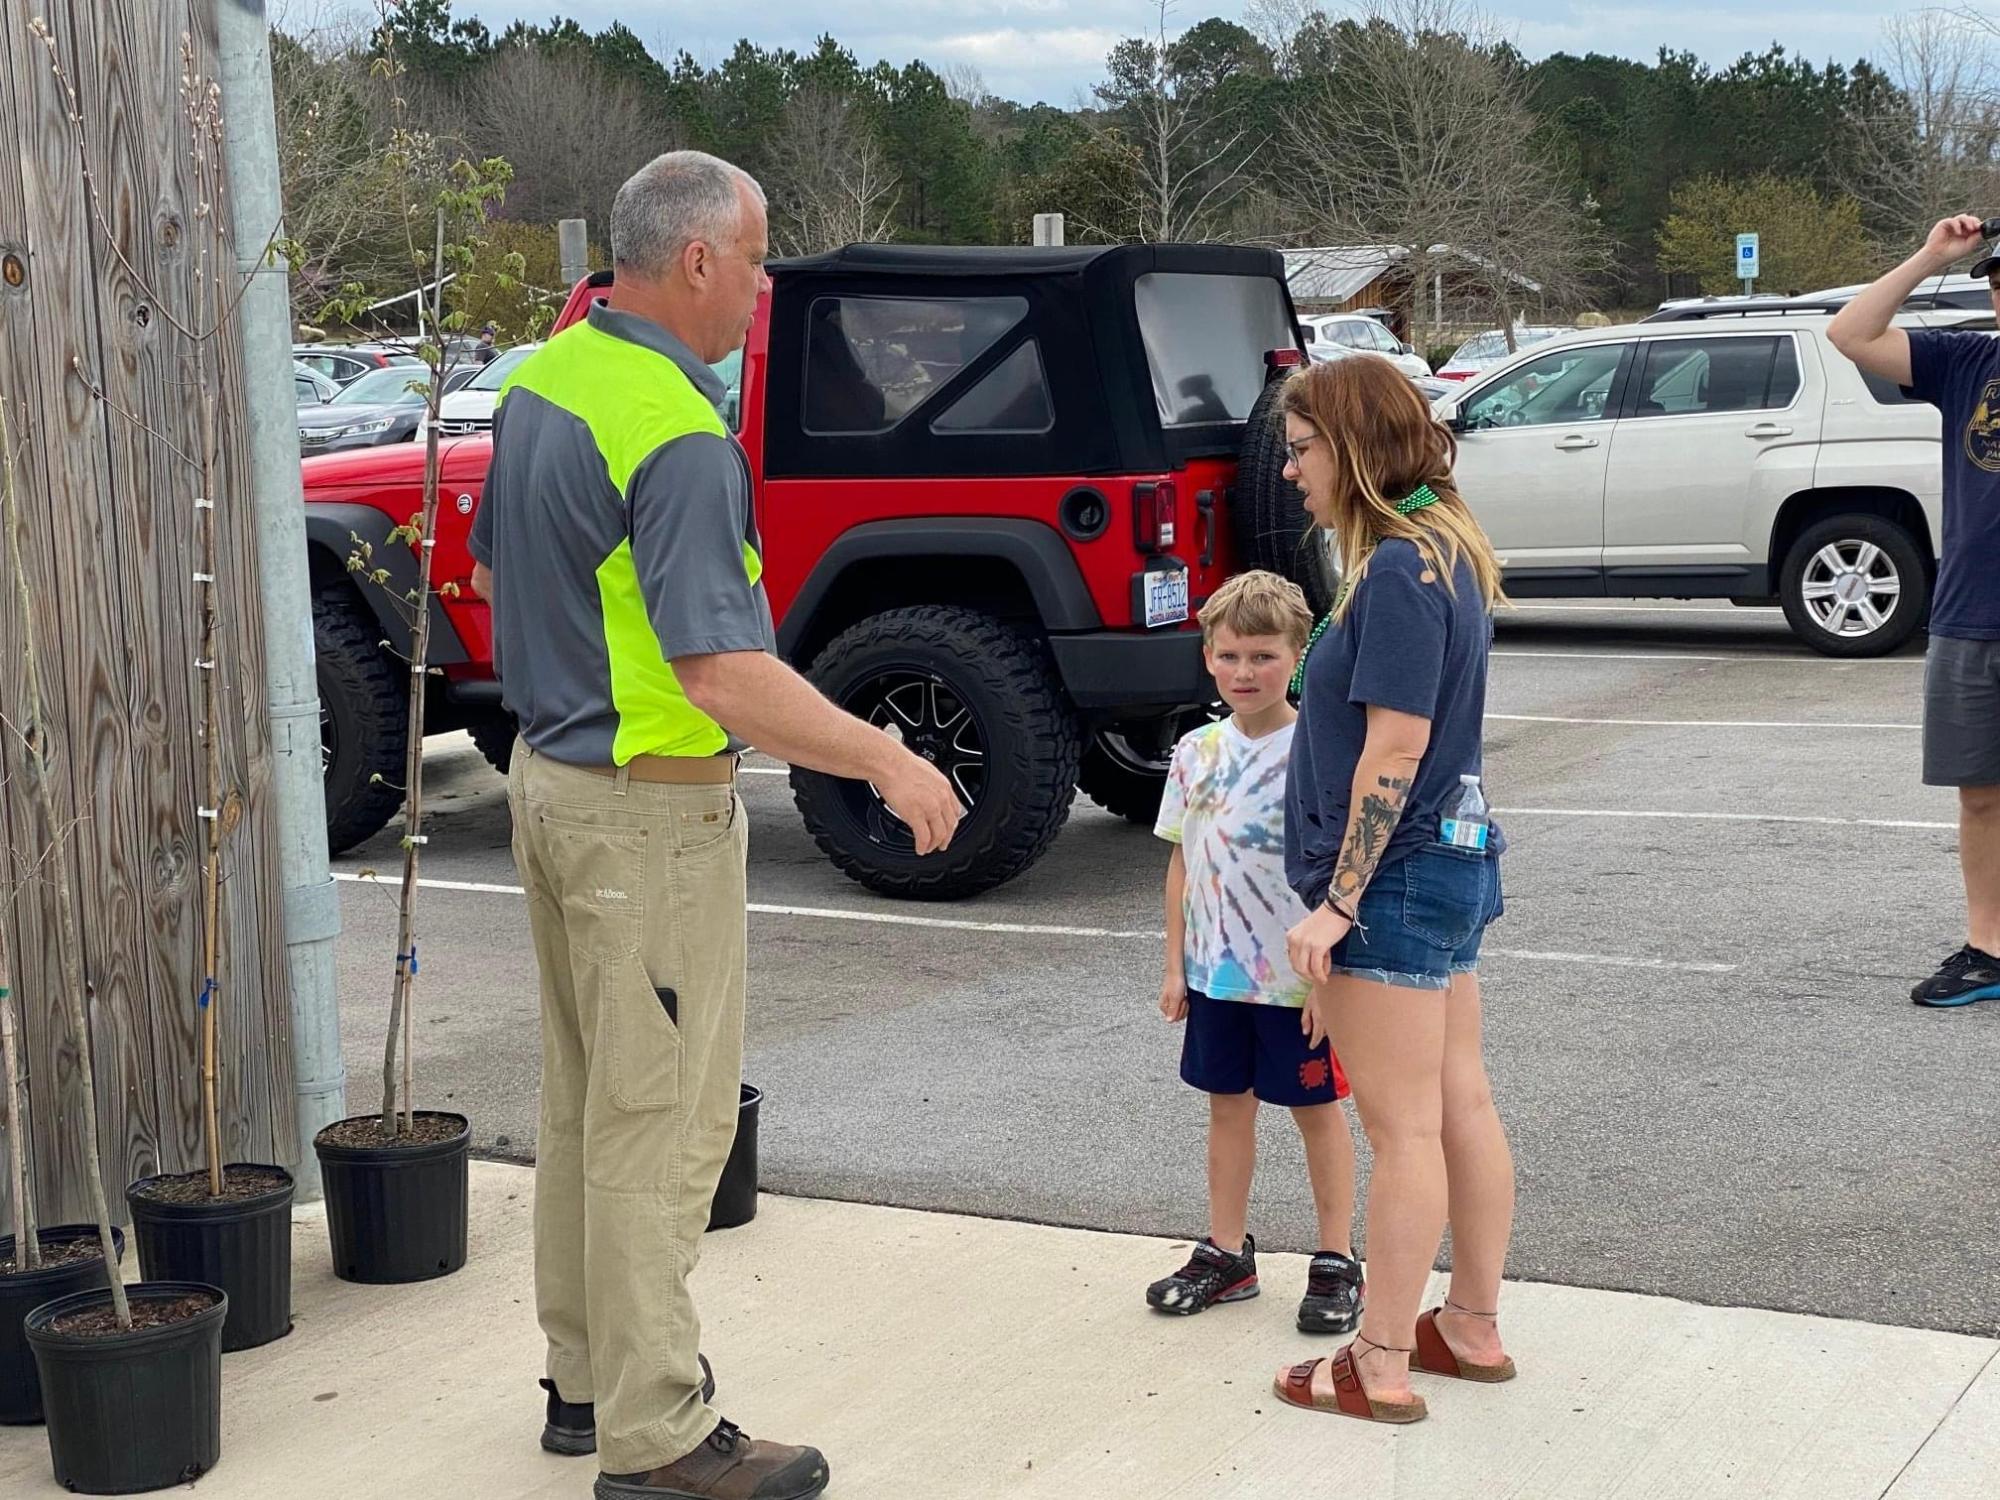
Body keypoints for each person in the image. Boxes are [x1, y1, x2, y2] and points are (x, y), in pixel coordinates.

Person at [467, 150, 960, 1500]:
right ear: (694, 261)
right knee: (662, 1129)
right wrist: (888, 761)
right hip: (646, 818)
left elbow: (498, 574)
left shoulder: (545, 383)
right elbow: (721, 673)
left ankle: (587, 1383)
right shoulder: (675, 432)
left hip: (553, 787)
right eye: (755, 257)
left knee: (588, 1108)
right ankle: (661, 1436)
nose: (763, 283)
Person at [1266, 356, 1514, 1426]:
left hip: (1399, 876)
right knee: (1458, 1104)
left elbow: (1392, 751)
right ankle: (1467, 1324)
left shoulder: (1403, 570)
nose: (1287, 471)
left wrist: (1337, 902)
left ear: (1352, 447)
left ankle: (1377, 1359)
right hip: (1444, 864)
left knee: (1402, 1131)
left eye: (1300, 447)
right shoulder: (1435, 554)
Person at [1147, 570, 1364, 1337]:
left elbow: (1342, 870)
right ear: (1208, 655)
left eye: (1264, 657)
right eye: (1231, 655)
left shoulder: (1317, 750)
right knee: (1226, 1110)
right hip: (1214, 978)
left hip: (1296, 984)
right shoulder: (1195, 752)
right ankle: (1227, 1251)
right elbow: (1181, 859)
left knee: (1315, 1113)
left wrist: (1329, 984)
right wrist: (1177, 966)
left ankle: (1337, 1258)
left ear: (1297, 657)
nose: (1245, 672)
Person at [1828, 215, 2000, 1010]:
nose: (1999, 294)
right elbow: (1851, 333)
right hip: (1971, 613)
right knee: (1980, 794)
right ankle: (1988, 949)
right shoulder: (1968, 362)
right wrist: (1933, 256)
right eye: (1996, 282)